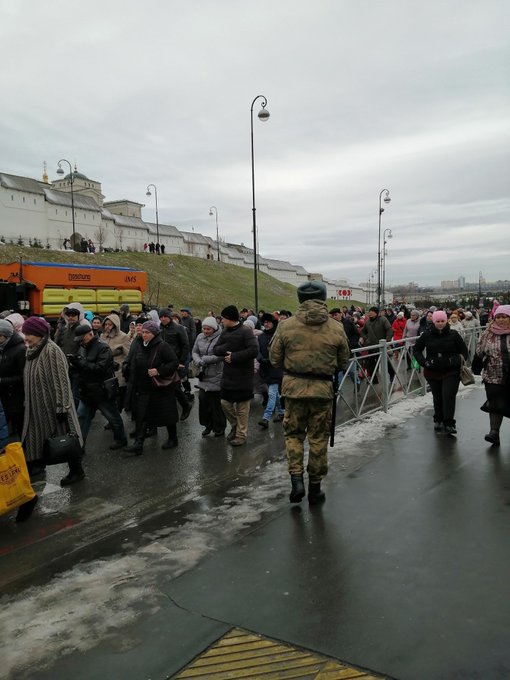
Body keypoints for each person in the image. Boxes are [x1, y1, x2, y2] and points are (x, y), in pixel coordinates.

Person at [270, 281, 349, 504]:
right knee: (318, 438)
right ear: (324, 298)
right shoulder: (336, 327)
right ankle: (315, 487)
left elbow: (274, 359)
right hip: (323, 391)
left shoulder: (285, 326)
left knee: (293, 435)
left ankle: (296, 479)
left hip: (293, 390)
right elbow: (344, 361)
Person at [21, 316, 84, 486]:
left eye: (28, 334)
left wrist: (62, 407)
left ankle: (77, 471)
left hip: (55, 407)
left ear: (39, 334)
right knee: (35, 437)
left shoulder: (52, 350)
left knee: (65, 440)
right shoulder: (31, 351)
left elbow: (62, 381)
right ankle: (36, 465)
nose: (25, 337)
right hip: (36, 406)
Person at [123, 320, 180, 455]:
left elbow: (174, 362)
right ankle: (138, 444)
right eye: (143, 332)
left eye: (147, 332)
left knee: (167, 415)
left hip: (160, 388)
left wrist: (159, 371)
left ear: (154, 333)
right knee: (142, 415)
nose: (144, 335)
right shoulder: (140, 345)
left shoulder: (163, 346)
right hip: (143, 387)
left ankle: (173, 438)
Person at [70, 325, 127, 450]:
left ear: (90, 334)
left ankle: (121, 439)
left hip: (101, 391)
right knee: (82, 417)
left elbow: (100, 369)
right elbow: (84, 367)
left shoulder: (103, 348)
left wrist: (81, 363)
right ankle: (80, 444)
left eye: (82, 338)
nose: (80, 341)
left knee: (112, 416)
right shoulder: (83, 347)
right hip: (86, 390)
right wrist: (74, 364)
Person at [414, 310, 469, 435]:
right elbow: (416, 349)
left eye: (442, 321)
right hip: (433, 371)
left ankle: (449, 423)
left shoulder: (454, 334)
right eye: (437, 321)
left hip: (451, 371)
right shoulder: (427, 335)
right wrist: (424, 362)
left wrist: (456, 360)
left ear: (446, 321)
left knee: (448, 396)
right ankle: (438, 420)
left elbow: (464, 352)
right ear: (433, 322)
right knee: (437, 396)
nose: (440, 324)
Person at [214, 305, 259, 446]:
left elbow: (253, 350)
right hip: (228, 376)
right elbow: (216, 349)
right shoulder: (225, 332)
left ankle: (241, 435)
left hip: (243, 376)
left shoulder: (246, 331)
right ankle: (235, 425)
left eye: (223, 318)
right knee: (224, 403)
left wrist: (235, 356)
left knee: (242, 408)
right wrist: (227, 347)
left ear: (230, 319)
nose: (221, 321)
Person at [475, 304, 510, 445]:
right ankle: (494, 432)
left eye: (504, 317)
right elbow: (479, 351)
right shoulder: (487, 333)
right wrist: (476, 367)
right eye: (498, 317)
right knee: (495, 403)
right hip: (493, 374)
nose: (501, 320)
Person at [191, 316, 226, 437]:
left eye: (208, 329)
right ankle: (208, 425)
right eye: (204, 329)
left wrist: (206, 359)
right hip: (203, 373)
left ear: (214, 329)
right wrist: (198, 360)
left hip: (216, 373)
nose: (205, 331)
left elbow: (223, 355)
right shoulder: (200, 337)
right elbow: (194, 351)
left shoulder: (221, 338)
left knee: (215, 403)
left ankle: (219, 427)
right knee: (203, 401)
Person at [257, 313, 285, 428]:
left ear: (273, 323)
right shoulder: (261, 336)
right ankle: (281, 412)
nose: (266, 324)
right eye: (264, 322)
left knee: (272, 393)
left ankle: (266, 418)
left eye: (268, 322)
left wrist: (273, 360)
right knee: (275, 393)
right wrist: (260, 359)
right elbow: (257, 350)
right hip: (265, 368)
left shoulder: (279, 336)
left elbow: (282, 352)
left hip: (276, 368)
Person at [100, 313, 131, 412]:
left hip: (118, 370)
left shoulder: (123, 337)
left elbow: (128, 354)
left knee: (117, 396)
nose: (107, 327)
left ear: (115, 324)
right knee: (107, 395)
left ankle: (116, 418)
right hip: (105, 370)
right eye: (106, 324)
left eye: (110, 324)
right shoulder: (103, 336)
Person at [0, 318, 26, 437]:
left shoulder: (20, 350)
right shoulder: (2, 348)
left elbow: (23, 377)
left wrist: (2, 381)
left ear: (5, 335)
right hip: (4, 396)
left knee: (19, 429)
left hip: (15, 398)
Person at [360, 306, 395, 383]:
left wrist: (387, 340)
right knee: (370, 365)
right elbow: (362, 331)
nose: (370, 313)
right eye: (369, 312)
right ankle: (374, 379)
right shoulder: (368, 322)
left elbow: (389, 330)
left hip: (381, 346)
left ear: (376, 313)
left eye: (372, 312)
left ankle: (392, 374)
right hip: (371, 346)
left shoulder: (383, 319)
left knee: (386, 363)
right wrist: (366, 339)